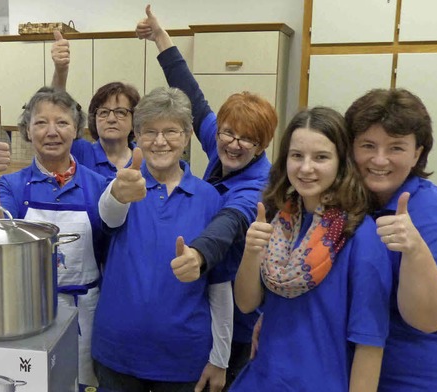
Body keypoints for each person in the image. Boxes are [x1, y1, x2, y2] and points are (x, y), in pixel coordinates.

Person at [137, 6, 276, 387]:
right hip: (199, 303)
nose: (234, 143)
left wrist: (197, 254)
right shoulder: (221, 142)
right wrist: (161, 38)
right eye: (229, 132)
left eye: (248, 139)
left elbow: (226, 225)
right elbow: (193, 97)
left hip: (238, 319)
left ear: (263, 145)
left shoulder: (258, 186)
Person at [231, 107, 393, 391]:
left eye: (321, 157)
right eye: (297, 156)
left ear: (341, 163)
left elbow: (370, 346)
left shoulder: (361, 236)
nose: (306, 168)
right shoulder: (279, 223)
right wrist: (251, 251)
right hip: (263, 379)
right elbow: (246, 304)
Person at [93, 87, 233, 392]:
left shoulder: (210, 198)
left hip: (185, 360)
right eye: (150, 132)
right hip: (118, 354)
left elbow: (220, 285)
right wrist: (118, 193)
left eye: (171, 131)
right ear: (137, 137)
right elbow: (109, 216)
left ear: (185, 138)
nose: (160, 141)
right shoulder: (123, 186)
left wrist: (221, 358)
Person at [0, 86, 108, 387]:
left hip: (86, 310)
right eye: (41, 123)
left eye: (61, 122)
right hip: (29, 307)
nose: (52, 131)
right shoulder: (12, 185)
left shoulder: (99, 185)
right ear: (27, 130)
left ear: (75, 129)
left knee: (80, 382)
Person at [344, 88, 437, 391]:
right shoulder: (352, 199)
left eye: (396, 148)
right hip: (356, 370)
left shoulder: (430, 210)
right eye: (368, 145)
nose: (379, 160)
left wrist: (415, 252)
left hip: (414, 377)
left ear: (417, 153)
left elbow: (434, 319)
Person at [51, 30, 141, 179]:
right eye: (104, 112)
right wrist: (61, 71)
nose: (111, 119)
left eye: (120, 112)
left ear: (134, 120)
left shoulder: (145, 158)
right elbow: (56, 111)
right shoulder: (79, 152)